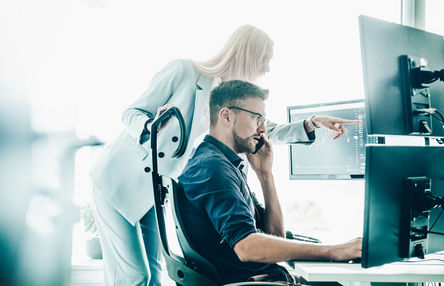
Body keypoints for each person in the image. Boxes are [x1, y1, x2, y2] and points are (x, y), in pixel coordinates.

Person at [89, 25, 358, 285]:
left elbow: (265, 129)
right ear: (247, 53)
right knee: (133, 277)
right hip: (119, 181)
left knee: (154, 275)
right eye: (264, 59)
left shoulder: (227, 98)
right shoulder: (185, 71)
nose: (266, 68)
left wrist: (312, 123)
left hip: (151, 189)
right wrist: (151, 127)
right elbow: (131, 113)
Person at [178, 80, 362, 284]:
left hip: (261, 277)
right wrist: (335, 251)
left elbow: (274, 234)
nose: (263, 128)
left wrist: (265, 175)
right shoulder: (213, 168)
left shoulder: (222, 163)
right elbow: (246, 247)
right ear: (226, 116)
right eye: (257, 118)